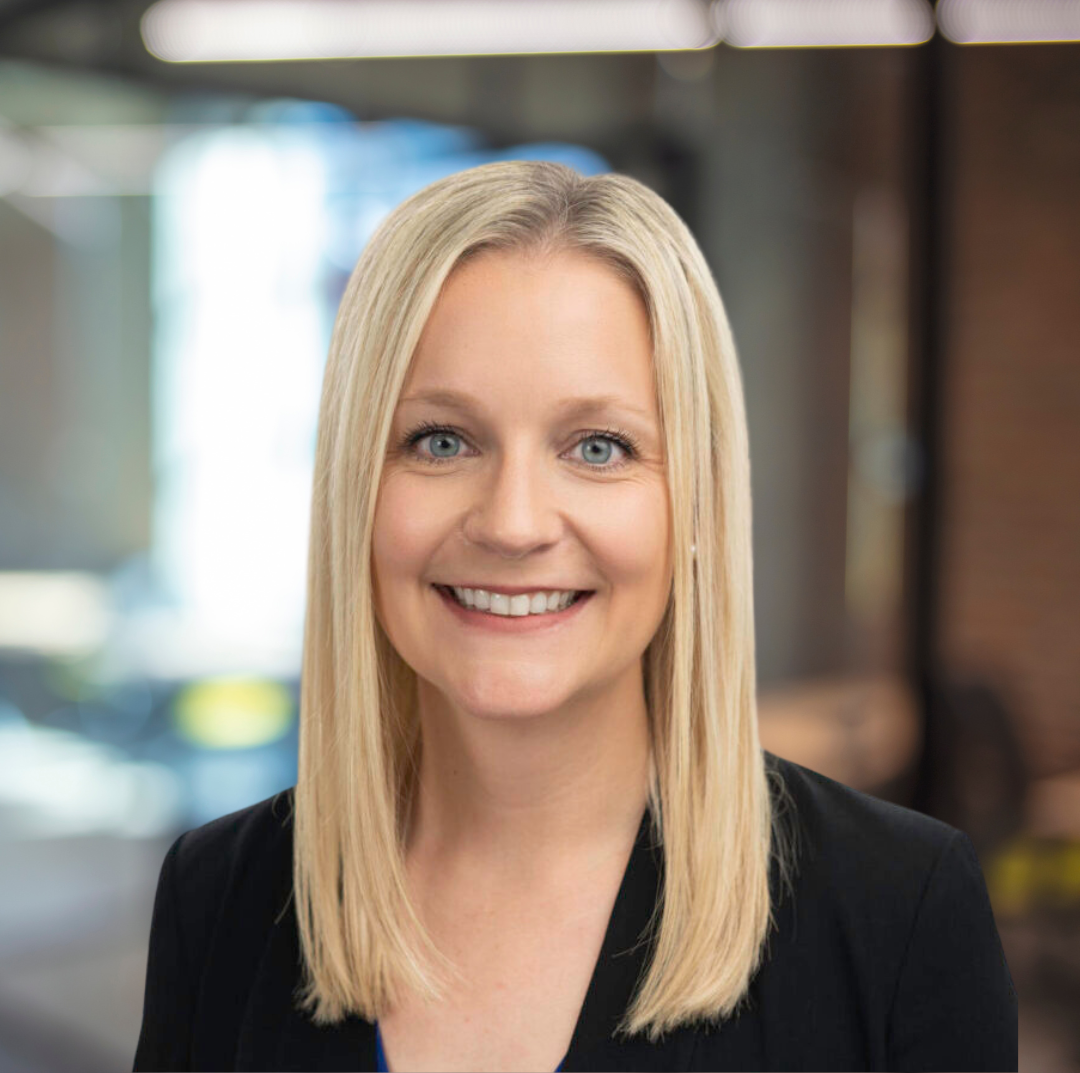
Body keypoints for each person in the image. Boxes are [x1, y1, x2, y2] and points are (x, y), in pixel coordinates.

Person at [132, 160, 1017, 1072]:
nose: (514, 523)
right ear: (354, 488)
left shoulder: (896, 911)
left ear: (698, 508)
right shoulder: (222, 897)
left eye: (599, 447)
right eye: (442, 440)